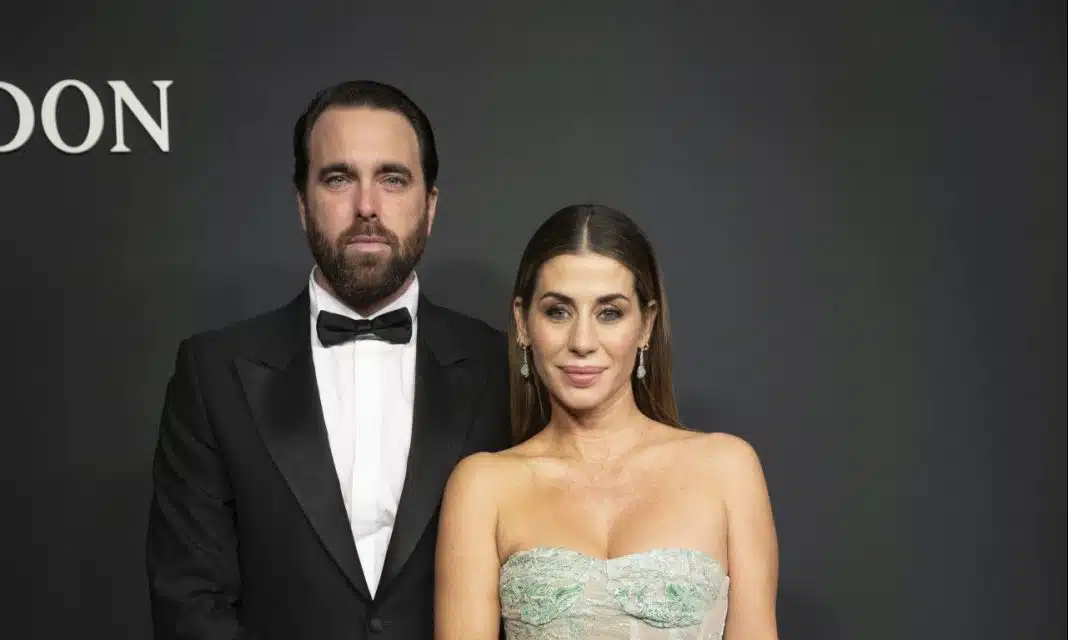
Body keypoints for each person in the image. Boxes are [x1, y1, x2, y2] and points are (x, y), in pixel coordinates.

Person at [145, 80, 511, 639]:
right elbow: (189, 600)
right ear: (302, 204)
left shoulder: (503, 368)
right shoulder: (212, 373)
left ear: (431, 205)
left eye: (393, 179)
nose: (367, 207)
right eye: (338, 178)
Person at [435, 204, 780, 639]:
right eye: (558, 312)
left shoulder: (727, 469)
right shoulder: (483, 486)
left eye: (609, 313)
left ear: (646, 325)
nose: (582, 342)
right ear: (522, 323)